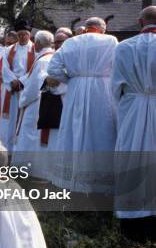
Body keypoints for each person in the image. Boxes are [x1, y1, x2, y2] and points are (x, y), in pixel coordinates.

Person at [46, 17, 118, 194]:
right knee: (101, 131)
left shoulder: (71, 43)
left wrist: (72, 79)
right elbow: (119, 66)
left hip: (76, 90)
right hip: (102, 90)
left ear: (86, 28)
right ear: (102, 28)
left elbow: (53, 69)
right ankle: (101, 181)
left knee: (74, 130)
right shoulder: (110, 41)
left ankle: (73, 180)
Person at [111, 6, 156, 241]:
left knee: (132, 156)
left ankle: (133, 222)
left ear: (139, 22)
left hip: (133, 108)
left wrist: (124, 108)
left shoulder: (124, 47)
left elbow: (115, 87)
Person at [12, 31, 57, 170]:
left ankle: (30, 167)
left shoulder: (43, 60)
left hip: (36, 103)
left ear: (37, 43)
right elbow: (32, 77)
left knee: (30, 133)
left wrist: (23, 100)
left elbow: (34, 87)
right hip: (46, 101)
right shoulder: (50, 57)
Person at [0, 21, 35, 152]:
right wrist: (13, 81)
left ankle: (22, 149)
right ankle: (8, 147)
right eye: (20, 34)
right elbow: (5, 68)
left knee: (25, 120)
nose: (23, 37)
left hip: (27, 89)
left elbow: (36, 69)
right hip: (11, 90)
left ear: (30, 34)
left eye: (25, 34)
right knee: (10, 121)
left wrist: (22, 81)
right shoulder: (9, 50)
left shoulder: (35, 50)